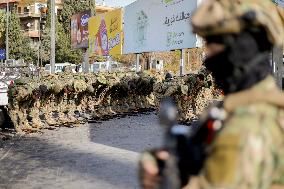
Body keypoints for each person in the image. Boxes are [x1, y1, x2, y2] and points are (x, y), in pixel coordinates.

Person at [139, 0, 284, 188]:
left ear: (241, 47)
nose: (207, 56)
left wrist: (168, 179)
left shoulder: (246, 129)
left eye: (212, 44)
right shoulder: (248, 108)